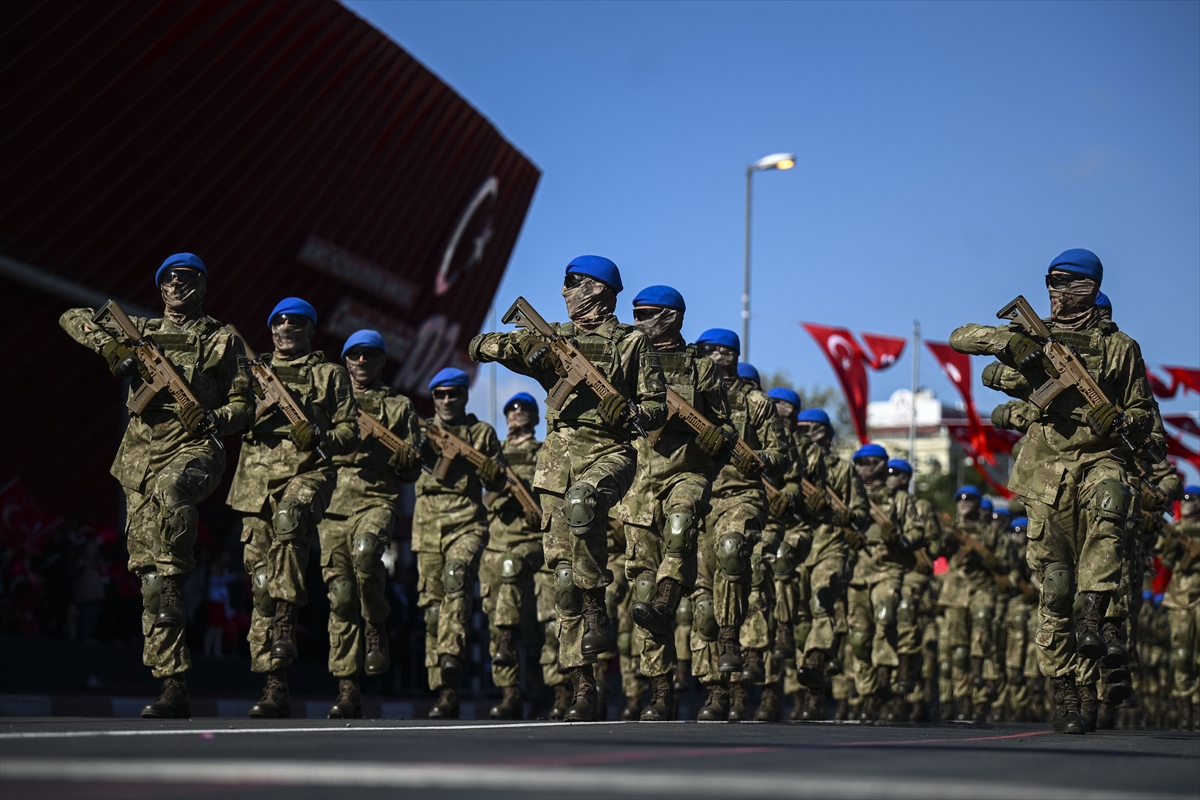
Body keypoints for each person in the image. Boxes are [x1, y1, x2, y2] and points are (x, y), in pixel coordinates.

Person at [950, 248, 1159, 734]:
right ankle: (1067, 688)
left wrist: (1123, 419)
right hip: (1045, 473)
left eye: (1070, 284)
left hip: (1098, 459)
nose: (1059, 293)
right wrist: (1011, 346)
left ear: (1091, 287)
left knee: (1111, 507)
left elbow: (1145, 413)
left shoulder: (1119, 348)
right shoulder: (1031, 333)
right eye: (1052, 283)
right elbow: (961, 338)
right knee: (1056, 586)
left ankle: (1095, 626)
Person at [469, 255, 667, 721]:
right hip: (558, 462)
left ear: (598, 289)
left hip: (609, 453)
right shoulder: (554, 338)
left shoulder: (632, 343)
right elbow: (479, 344)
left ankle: (597, 599)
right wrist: (528, 355)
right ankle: (583, 687)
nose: (565, 292)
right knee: (561, 578)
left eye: (572, 283)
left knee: (584, 508)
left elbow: (656, 408)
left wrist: (632, 413)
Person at [59, 253, 253, 718]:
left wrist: (212, 416)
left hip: (196, 449)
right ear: (160, 287)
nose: (178, 286)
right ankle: (172, 684)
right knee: (147, 580)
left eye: (187, 279)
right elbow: (72, 316)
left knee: (173, 491)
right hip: (138, 460)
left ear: (203, 286)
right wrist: (111, 349)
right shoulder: (141, 331)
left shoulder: (221, 339)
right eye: (170, 279)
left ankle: (174, 585)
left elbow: (246, 404)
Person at [228, 297, 358, 718]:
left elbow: (350, 431)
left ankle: (286, 623)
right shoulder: (250, 374)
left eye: (297, 321)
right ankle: (274, 685)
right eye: (279, 320)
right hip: (254, 486)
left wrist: (319, 436)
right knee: (261, 585)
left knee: (290, 522)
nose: (287, 327)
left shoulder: (329, 375)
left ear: (311, 330)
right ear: (269, 329)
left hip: (307, 476)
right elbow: (234, 413)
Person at [618, 286, 731, 720]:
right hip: (637, 484)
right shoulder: (627, 358)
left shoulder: (701, 368)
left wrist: (715, 436)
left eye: (646, 313)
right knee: (641, 591)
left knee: (682, 527)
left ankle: (671, 599)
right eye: (636, 313)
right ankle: (661, 690)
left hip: (685, 474)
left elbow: (724, 432)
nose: (638, 320)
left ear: (671, 317)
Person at [319, 330, 422, 718]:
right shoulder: (330, 400)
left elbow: (411, 468)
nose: (362, 362)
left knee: (367, 556)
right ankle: (347, 687)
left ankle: (376, 622)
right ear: (346, 359)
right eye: (355, 355)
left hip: (377, 497)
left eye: (370, 355)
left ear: (381, 361)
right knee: (341, 597)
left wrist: (406, 458)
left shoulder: (399, 406)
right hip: (332, 501)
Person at [689, 329, 785, 721]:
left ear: (736, 355)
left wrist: (756, 459)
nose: (716, 356)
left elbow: (781, 456)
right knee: (701, 605)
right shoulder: (689, 398)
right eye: (709, 350)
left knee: (733, 554)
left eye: (724, 350)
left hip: (742, 498)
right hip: (697, 499)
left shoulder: (756, 402)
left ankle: (733, 645)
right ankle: (714, 690)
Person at [413, 367, 505, 718]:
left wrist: (491, 472)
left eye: (454, 394)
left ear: (466, 396)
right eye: (441, 394)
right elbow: (404, 464)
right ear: (433, 397)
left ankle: (451, 657)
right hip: (426, 526)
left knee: (456, 576)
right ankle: (445, 690)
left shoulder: (481, 433)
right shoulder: (420, 429)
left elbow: (496, 478)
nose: (448, 400)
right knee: (434, 608)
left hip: (466, 522)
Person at [790, 408, 868, 721]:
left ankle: (813, 671)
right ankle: (811, 687)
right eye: (802, 428)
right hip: (799, 544)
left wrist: (848, 516)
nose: (806, 433)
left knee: (823, 600)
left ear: (826, 433)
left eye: (812, 428)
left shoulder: (843, 470)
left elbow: (860, 513)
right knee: (800, 617)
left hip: (832, 543)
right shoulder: (793, 464)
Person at [763, 385, 829, 721]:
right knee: (760, 611)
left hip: (805, 533)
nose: (777, 408)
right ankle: (767, 693)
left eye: (784, 404)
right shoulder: (757, 435)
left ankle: (810, 693)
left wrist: (816, 501)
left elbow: (823, 498)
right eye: (772, 402)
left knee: (807, 616)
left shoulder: (810, 451)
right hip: (766, 524)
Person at [479, 392, 545, 719]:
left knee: (537, 628)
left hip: (531, 544)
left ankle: (547, 692)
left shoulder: (543, 453)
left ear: (535, 417)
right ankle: (510, 694)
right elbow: (483, 500)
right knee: (497, 626)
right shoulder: (495, 456)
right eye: (512, 409)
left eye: (524, 409)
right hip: (495, 545)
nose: (517, 413)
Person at [845, 444, 919, 722]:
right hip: (857, 571)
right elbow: (831, 525)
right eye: (859, 461)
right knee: (860, 636)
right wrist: (845, 535)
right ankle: (867, 693)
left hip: (888, 568)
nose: (864, 466)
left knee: (886, 617)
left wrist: (898, 537)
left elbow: (917, 532)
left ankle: (885, 676)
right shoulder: (849, 496)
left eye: (870, 461)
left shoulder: (900, 500)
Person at [884, 458, 940, 722]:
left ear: (906, 477)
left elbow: (934, 543)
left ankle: (909, 694)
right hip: (886, 571)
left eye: (894, 473)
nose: (889, 477)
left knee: (909, 627)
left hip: (913, 574)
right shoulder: (882, 503)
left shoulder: (921, 506)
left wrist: (924, 557)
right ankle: (889, 694)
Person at [1159, 485, 1200, 730]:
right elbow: (1164, 561)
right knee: (1182, 654)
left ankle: (1198, 705)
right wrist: (1173, 548)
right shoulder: (1175, 530)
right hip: (1179, 596)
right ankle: (1185, 705)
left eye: (1191, 498)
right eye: (1182, 498)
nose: (1185, 502)